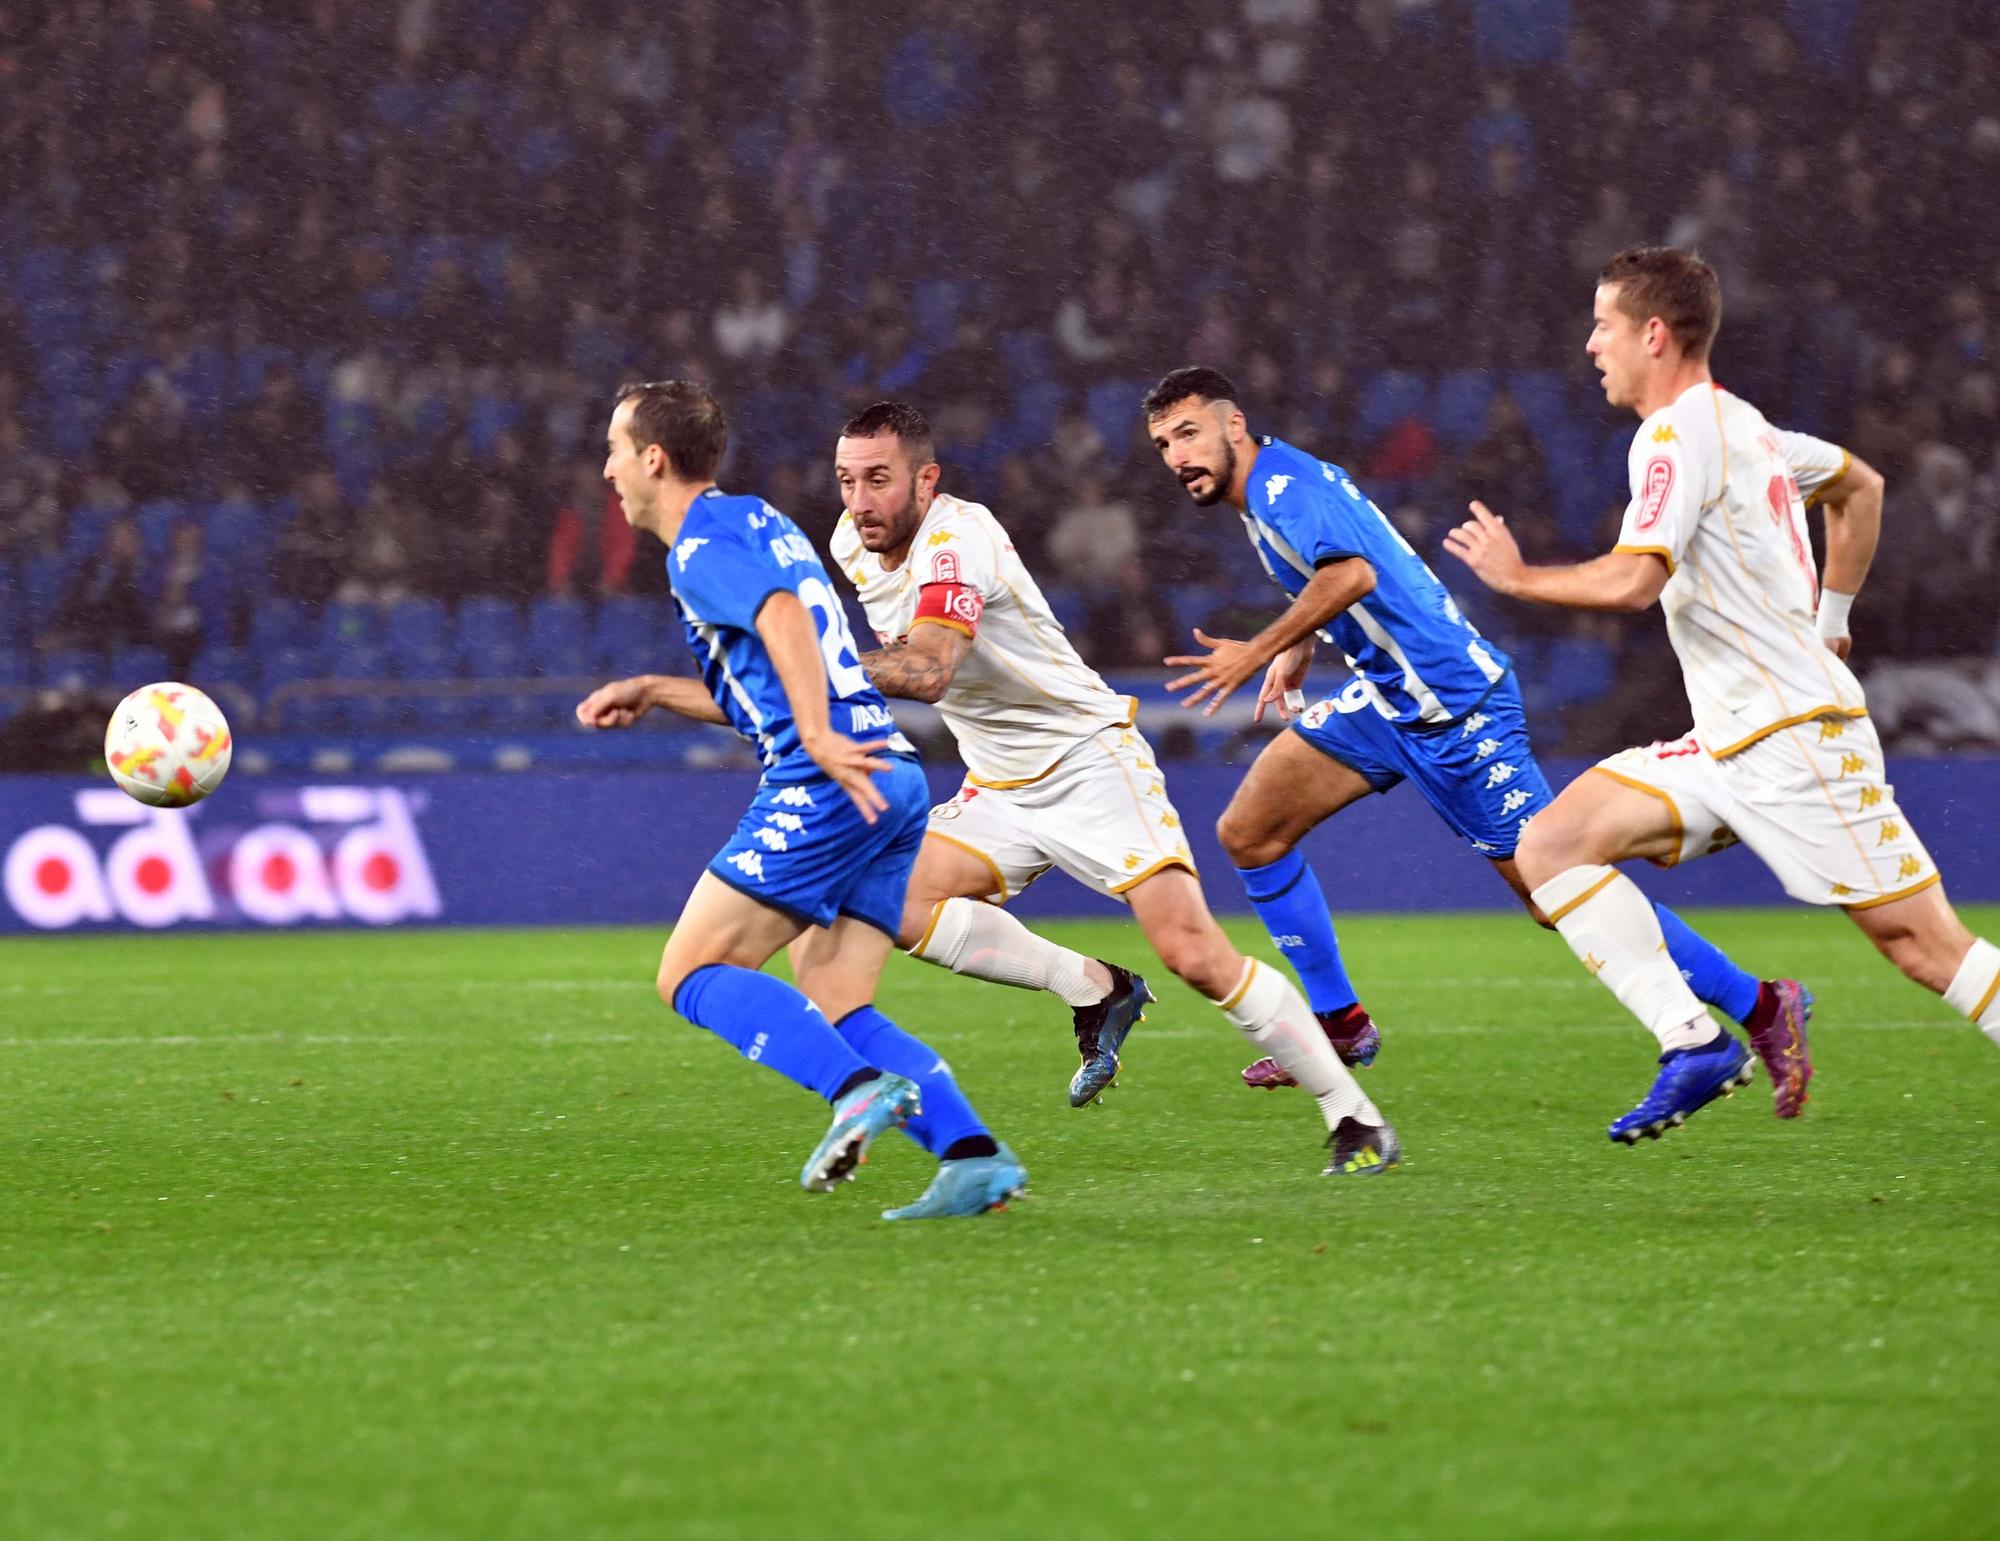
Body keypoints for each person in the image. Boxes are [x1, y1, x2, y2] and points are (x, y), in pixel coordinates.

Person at [1139, 366, 1811, 1117]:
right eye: (1164, 443)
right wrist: (1304, 643)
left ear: (1235, 425)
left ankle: (1760, 1005)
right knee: (1251, 832)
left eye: (1189, 433)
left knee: (1556, 889)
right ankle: (1342, 1025)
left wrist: (1260, 647)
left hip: (1456, 708)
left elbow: (1352, 572)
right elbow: (1353, 569)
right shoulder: (1269, 487)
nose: (1177, 456)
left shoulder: (1279, 490)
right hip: (1390, 701)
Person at [1445, 245, 2000, 1143]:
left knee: (1925, 948)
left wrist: (1517, 578)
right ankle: (1693, 1040)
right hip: (1730, 740)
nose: (1592, 345)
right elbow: (1859, 486)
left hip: (1796, 741)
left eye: (1605, 325)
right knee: (1550, 844)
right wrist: (1832, 620)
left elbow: (1632, 582)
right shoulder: (1748, 427)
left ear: (1653, 335)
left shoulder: (1671, 435)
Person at [823, 400, 1399, 1179]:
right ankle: (1095, 989)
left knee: (1193, 953)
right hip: (999, 782)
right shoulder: (850, 544)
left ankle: (1356, 1117)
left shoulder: (960, 539)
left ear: (926, 481)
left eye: (879, 480)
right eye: (847, 480)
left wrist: (809, 677)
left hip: (1089, 762)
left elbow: (927, 668)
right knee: (886, 898)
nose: (860, 501)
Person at [575, 381, 1024, 1219]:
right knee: (838, 997)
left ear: (653, 459)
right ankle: (972, 1157)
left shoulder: (699, 548)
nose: (606, 470)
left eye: (613, 450)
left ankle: (855, 1091)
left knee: (692, 972)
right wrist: (658, 689)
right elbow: (788, 660)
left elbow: (782, 619)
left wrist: (814, 736)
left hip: (827, 777)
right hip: (887, 775)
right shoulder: (758, 521)